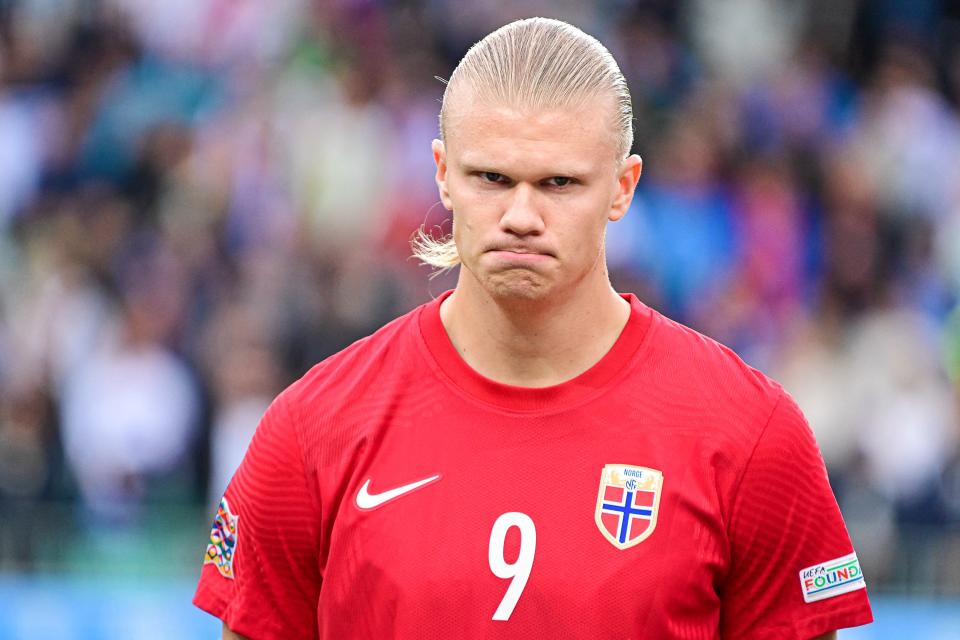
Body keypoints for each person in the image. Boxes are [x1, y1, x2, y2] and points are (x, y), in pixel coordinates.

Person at [193, 17, 873, 639]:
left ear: (623, 187)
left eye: (558, 184)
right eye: (492, 177)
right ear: (442, 175)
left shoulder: (750, 435)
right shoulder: (312, 431)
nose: (521, 214)